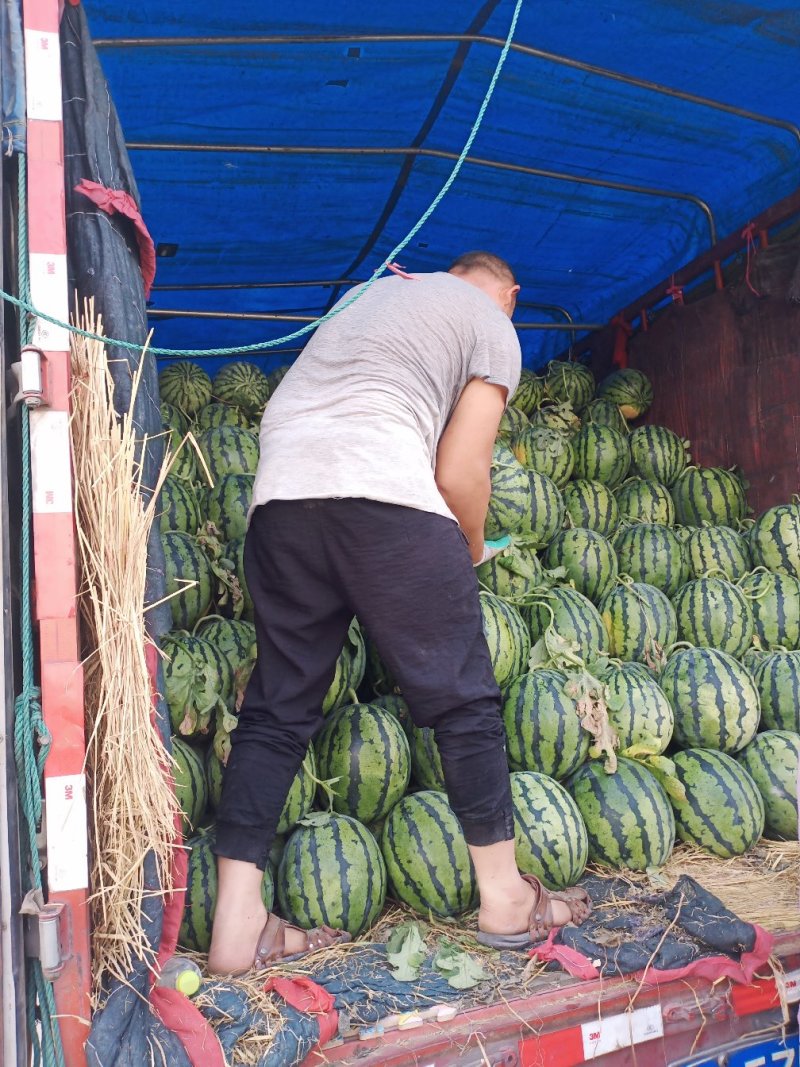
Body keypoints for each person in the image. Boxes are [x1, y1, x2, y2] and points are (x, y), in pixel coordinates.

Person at [208, 251, 591, 974]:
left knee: (277, 710)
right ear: (510, 294)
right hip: (382, 493)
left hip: (281, 499)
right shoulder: (492, 325)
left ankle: (237, 927)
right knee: (463, 700)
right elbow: (458, 470)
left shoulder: (373, 292)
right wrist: (470, 550)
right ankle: (507, 900)